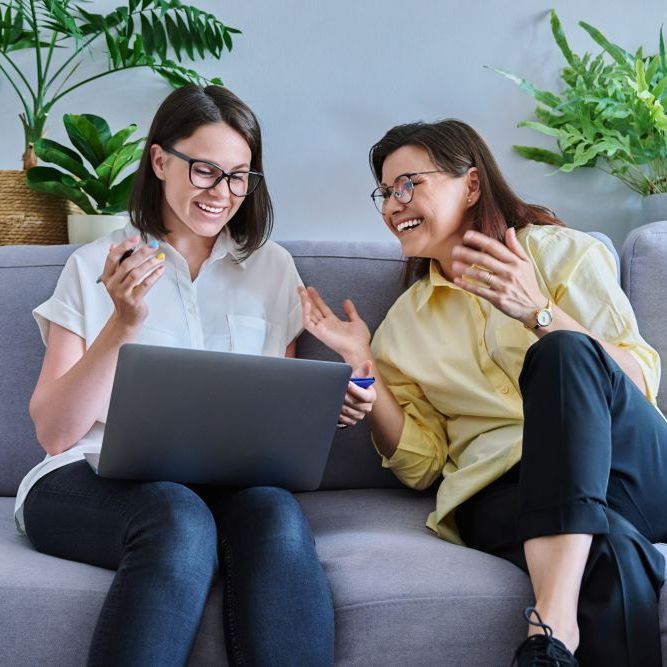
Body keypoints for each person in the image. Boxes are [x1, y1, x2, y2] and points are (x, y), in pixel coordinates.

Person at [15, 84, 375, 667]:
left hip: (226, 485)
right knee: (177, 518)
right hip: (86, 479)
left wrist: (325, 408)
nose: (223, 193)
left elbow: (270, 410)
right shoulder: (93, 267)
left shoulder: (272, 267)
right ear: (160, 161)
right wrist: (123, 323)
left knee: (277, 516)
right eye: (206, 171)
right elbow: (55, 432)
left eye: (239, 176)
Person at [298, 118, 667, 666]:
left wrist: (541, 314)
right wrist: (364, 364)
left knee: (562, 351)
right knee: (609, 549)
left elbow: (636, 382)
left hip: (627, 461)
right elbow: (423, 465)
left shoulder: (562, 254)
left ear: (471, 185)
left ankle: (554, 625)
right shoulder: (404, 325)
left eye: (409, 184)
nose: (393, 204)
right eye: (384, 192)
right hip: (503, 491)